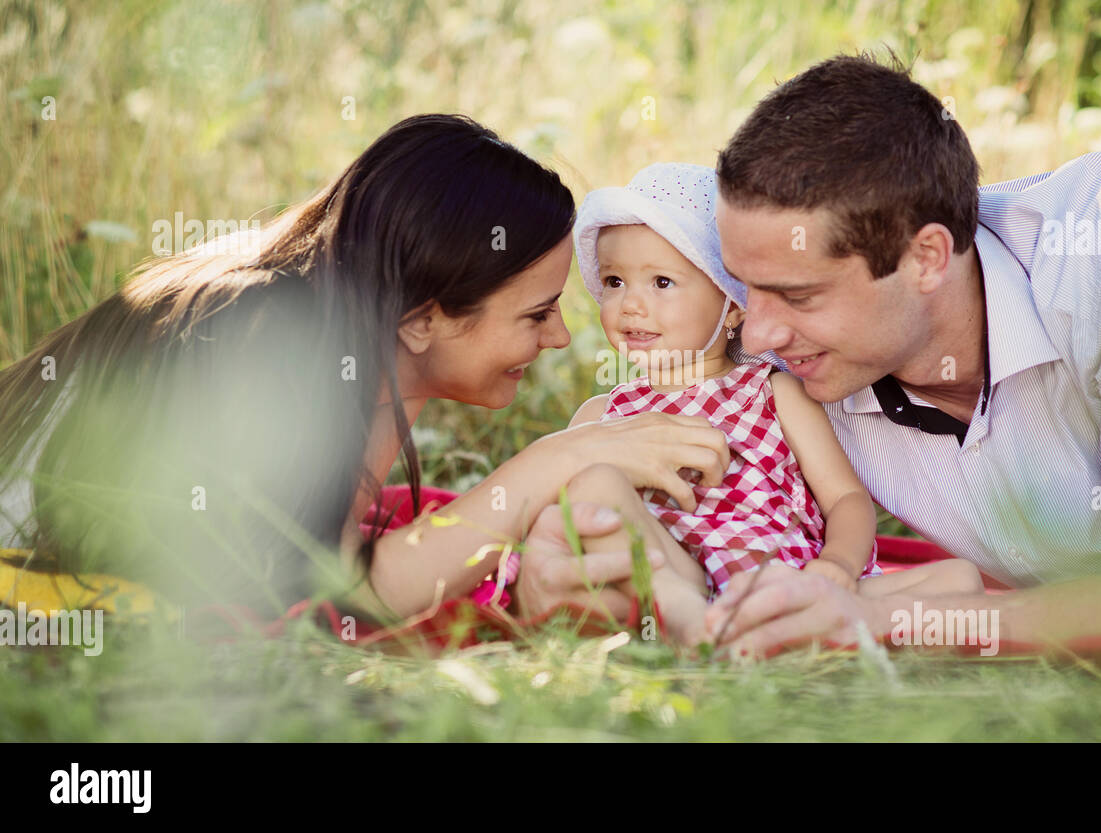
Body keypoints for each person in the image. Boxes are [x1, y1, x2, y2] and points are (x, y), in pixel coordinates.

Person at [0, 114, 730, 626]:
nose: (562, 337)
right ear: (421, 319)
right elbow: (339, 591)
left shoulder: (336, 327)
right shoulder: (273, 340)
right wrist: (561, 455)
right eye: (536, 313)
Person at [703, 53, 1101, 655]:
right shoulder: (796, 362)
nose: (756, 336)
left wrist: (885, 619)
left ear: (926, 258)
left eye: (799, 295)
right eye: (745, 287)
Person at [561, 162, 983, 644]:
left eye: (661, 282)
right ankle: (692, 622)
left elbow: (845, 498)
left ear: (732, 306)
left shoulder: (771, 392)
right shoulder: (603, 415)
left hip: (792, 584)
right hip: (682, 578)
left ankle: (798, 628)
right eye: (615, 282)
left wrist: (835, 567)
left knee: (960, 580)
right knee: (590, 487)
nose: (630, 304)